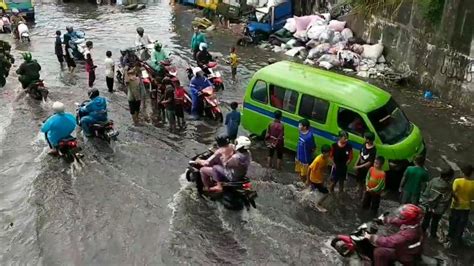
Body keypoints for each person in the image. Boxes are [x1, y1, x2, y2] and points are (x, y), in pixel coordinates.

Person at [420, 167, 454, 239]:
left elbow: (426, 192)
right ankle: (433, 235)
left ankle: (422, 231)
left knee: (426, 218)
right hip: (438, 208)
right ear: (448, 177)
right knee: (435, 221)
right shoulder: (448, 186)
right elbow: (446, 199)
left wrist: (427, 201)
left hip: (429, 205)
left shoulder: (434, 180)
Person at [447, 164, 473, 246]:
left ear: (462, 173)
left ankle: (450, 236)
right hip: (467, 206)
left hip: (456, 205)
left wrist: (457, 199)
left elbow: (452, 192)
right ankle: (458, 238)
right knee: (462, 223)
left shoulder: (457, 181)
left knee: (453, 221)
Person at [307, 144, 331, 212]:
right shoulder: (317, 160)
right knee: (327, 193)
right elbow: (309, 168)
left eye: (329, 152)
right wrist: (307, 180)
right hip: (315, 180)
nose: (329, 154)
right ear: (323, 153)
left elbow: (324, 167)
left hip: (319, 179)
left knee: (311, 189)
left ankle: (304, 198)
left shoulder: (326, 158)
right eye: (327, 153)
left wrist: (325, 177)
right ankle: (317, 204)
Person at [354, 132, 377, 197]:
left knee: (363, 181)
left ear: (368, 140)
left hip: (365, 169)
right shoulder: (364, 144)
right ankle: (358, 188)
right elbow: (360, 154)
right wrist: (356, 164)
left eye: (365, 137)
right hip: (359, 166)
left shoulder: (373, 150)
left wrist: (359, 166)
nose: (363, 138)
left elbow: (369, 163)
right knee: (358, 178)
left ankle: (362, 194)